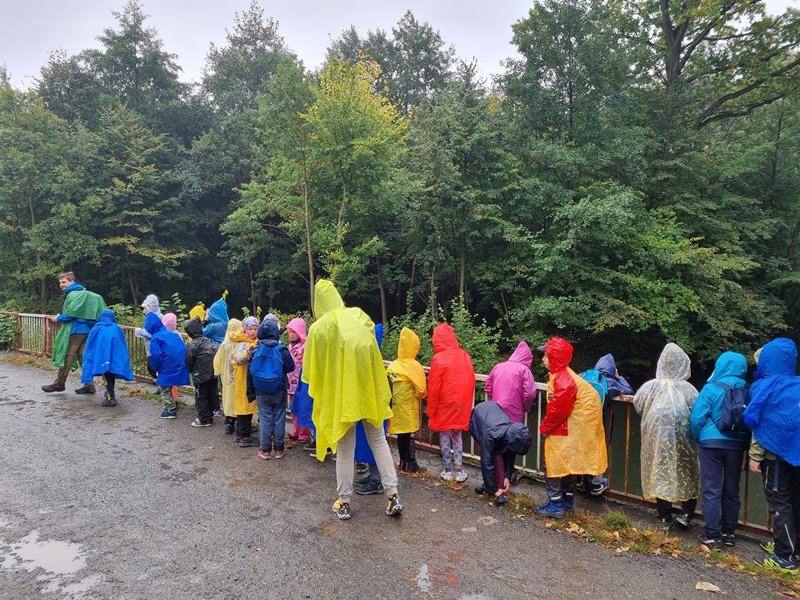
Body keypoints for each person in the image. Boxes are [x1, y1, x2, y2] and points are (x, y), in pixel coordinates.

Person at [302, 279, 403, 520]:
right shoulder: (359, 316)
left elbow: (311, 369)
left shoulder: (318, 329)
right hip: (368, 389)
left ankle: (344, 502)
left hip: (342, 396)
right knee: (378, 440)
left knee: (345, 449)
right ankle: (393, 496)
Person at [536, 337, 607, 519]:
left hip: (567, 428)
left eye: (546, 355)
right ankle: (567, 503)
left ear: (554, 358)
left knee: (552, 464)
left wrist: (544, 428)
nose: (543, 359)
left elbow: (558, 411)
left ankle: (555, 505)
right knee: (569, 464)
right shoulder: (565, 375)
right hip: (575, 429)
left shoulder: (563, 380)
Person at [745, 338, 800, 572]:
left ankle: (784, 556)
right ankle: (792, 547)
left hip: (774, 456)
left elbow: (759, 424)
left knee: (779, 502)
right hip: (795, 455)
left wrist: (755, 456)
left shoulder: (765, 387)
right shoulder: (796, 385)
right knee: (795, 501)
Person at [633, 343, 699, 530]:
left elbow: (638, 404)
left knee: (660, 469)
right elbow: (698, 410)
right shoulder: (688, 389)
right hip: (684, 437)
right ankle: (686, 514)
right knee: (687, 469)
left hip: (656, 437)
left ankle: (664, 517)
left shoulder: (651, 386)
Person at [689, 351, 749, 549]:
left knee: (711, 489)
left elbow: (697, 418)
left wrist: (698, 438)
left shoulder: (711, 388)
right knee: (732, 490)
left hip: (712, 444)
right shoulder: (748, 390)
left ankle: (712, 536)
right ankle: (729, 533)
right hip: (737, 445)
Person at [42, 272, 106, 394]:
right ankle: (89, 385)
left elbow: (70, 315)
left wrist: (57, 318)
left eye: (64, 282)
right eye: (60, 282)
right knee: (83, 357)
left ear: (72, 282)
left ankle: (59, 384)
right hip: (88, 330)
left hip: (77, 331)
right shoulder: (86, 294)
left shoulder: (74, 294)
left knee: (67, 356)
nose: (61, 285)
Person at [427, 323, 475, 483]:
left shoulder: (438, 359)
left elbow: (434, 388)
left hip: (445, 405)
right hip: (461, 404)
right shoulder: (464, 356)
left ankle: (447, 470)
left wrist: (431, 411)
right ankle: (459, 469)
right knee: (457, 436)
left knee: (445, 437)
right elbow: (470, 382)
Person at [247, 317, 295, 460]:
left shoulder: (255, 350)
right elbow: (291, 367)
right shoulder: (281, 349)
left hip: (261, 390)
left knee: (265, 419)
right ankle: (279, 450)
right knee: (279, 418)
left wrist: (250, 393)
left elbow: (250, 373)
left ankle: (265, 450)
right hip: (279, 389)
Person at [470, 400, 532, 506]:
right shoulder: (489, 437)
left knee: (503, 453)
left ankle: (492, 483)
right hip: (478, 418)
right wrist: (493, 490)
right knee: (493, 457)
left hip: (492, 412)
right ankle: (490, 486)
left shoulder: (512, 432)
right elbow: (486, 463)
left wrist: (507, 476)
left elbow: (511, 453)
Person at [387, 327, 427, 474]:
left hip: (395, 406)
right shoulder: (413, 365)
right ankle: (411, 464)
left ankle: (403, 462)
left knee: (401, 434)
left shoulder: (393, 365)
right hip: (408, 405)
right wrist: (417, 395)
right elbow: (421, 390)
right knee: (409, 434)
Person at [79, 308, 134, 406]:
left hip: (101, 358)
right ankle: (110, 393)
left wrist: (91, 359)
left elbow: (90, 345)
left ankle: (110, 397)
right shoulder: (117, 329)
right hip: (113, 358)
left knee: (107, 376)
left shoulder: (96, 329)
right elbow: (122, 345)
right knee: (110, 376)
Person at [144, 311, 190, 419]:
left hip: (167, 365)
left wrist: (155, 367)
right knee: (169, 385)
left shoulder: (156, 337)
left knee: (164, 387)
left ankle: (171, 410)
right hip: (178, 363)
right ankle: (170, 406)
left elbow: (156, 355)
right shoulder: (172, 334)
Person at [484, 341, 536, 424]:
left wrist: (496, 397)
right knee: (513, 431)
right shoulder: (524, 370)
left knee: (497, 429)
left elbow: (488, 387)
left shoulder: (498, 366)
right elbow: (529, 394)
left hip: (496, 407)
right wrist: (526, 407)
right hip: (514, 410)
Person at [184, 317, 218, 428]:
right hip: (212, 373)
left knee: (201, 397)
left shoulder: (193, 344)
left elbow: (188, 360)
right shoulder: (207, 340)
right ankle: (210, 415)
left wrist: (190, 370)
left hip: (200, 375)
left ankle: (204, 419)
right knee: (211, 394)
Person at [231, 316, 259, 446]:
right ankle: (245, 437)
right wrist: (248, 353)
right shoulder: (243, 344)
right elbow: (238, 360)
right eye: (250, 329)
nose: (253, 332)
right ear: (245, 330)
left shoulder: (252, 342)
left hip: (247, 379)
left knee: (246, 406)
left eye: (255, 329)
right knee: (244, 407)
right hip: (243, 380)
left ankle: (241, 432)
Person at [213, 318, 242, 435]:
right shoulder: (241, 344)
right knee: (238, 397)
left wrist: (217, 371)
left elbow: (217, 361)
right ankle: (241, 422)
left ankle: (229, 422)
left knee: (228, 397)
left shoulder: (224, 345)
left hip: (227, 377)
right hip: (239, 376)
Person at [286, 317, 312, 445]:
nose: (291, 335)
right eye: (289, 332)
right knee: (293, 408)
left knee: (303, 407)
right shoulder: (290, 346)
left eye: (294, 332)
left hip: (301, 382)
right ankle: (295, 430)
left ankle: (304, 433)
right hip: (290, 382)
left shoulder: (305, 346)